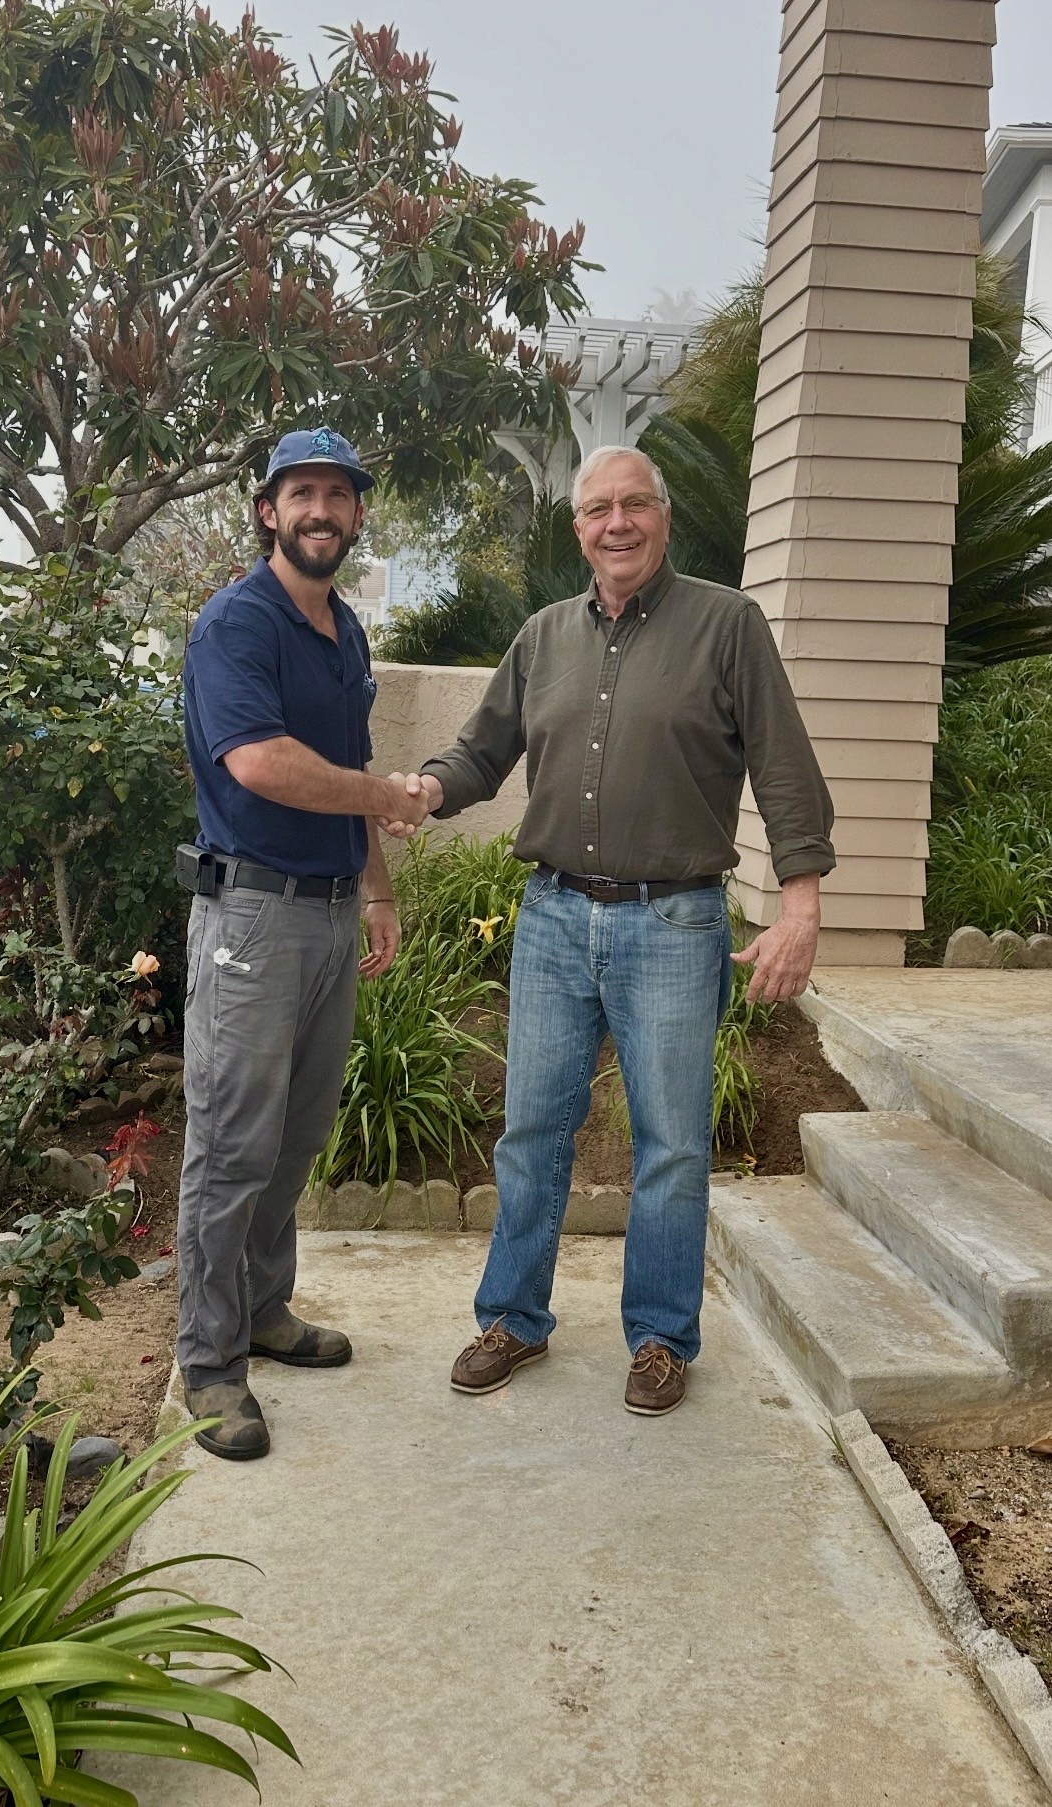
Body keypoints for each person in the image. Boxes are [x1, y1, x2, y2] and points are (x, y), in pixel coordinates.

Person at [380, 444, 835, 1417]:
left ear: (663, 517)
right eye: (598, 509)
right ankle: (513, 1317)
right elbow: (481, 748)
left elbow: (785, 766)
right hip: (551, 915)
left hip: (673, 921)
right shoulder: (544, 636)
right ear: (578, 528)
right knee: (533, 1128)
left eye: (635, 504)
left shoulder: (728, 624)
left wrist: (801, 903)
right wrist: (426, 787)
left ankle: (662, 1338)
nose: (616, 523)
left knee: (670, 1142)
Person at [176, 426, 430, 1459]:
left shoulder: (346, 629)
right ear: (268, 511)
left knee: (295, 1137)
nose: (321, 510)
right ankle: (209, 1361)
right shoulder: (236, 625)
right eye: (302, 493)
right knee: (231, 1144)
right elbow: (262, 765)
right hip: (252, 918)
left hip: (328, 912)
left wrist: (376, 891)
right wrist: (386, 797)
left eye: (339, 493)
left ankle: (267, 1312)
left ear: (357, 513)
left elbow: (347, 760)